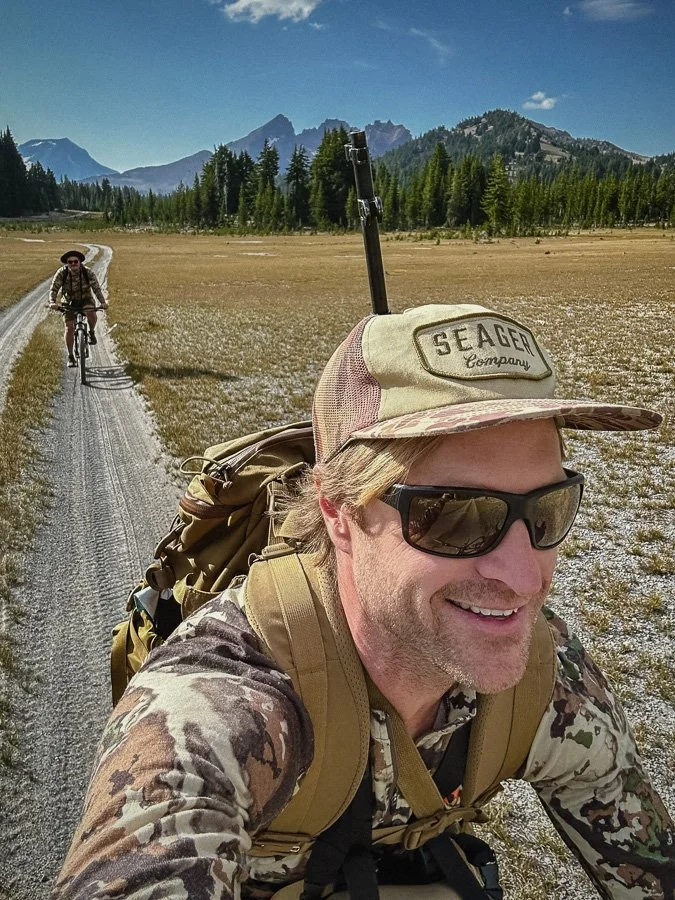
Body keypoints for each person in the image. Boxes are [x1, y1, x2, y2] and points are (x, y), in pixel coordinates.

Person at [53, 303, 674, 899]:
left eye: (548, 510)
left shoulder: (544, 672)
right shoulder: (215, 708)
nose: (521, 576)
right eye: (453, 517)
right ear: (339, 512)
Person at [49, 250, 108, 367]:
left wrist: (103, 302)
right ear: (67, 263)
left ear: (80, 262)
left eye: (75, 261)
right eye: (70, 262)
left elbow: (96, 288)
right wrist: (52, 302)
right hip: (69, 302)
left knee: (91, 313)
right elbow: (54, 288)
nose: (73, 264)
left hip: (86, 299)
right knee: (69, 328)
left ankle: (91, 332)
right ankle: (71, 356)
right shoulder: (62, 273)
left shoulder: (87, 272)